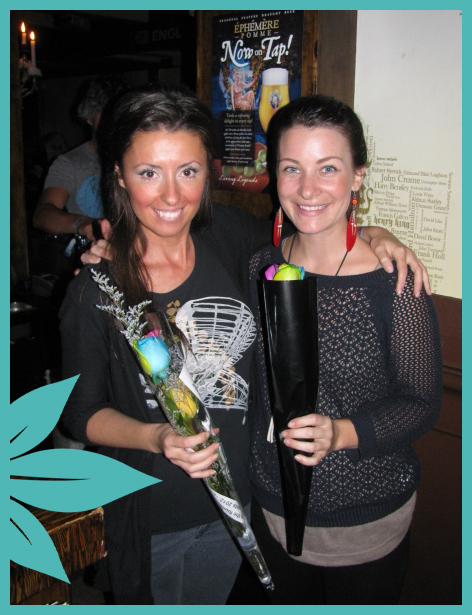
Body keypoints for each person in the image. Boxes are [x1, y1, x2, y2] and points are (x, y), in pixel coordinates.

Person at [65, 85, 430, 605]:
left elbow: (315, 222)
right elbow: (80, 414)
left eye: (188, 171)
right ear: (119, 176)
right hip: (155, 513)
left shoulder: (232, 241)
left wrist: (374, 231)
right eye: (148, 173)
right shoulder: (95, 287)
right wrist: (158, 437)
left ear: (208, 173)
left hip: (245, 509)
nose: (171, 196)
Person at [246, 95, 442, 604]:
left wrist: (341, 433)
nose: (307, 189)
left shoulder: (394, 283)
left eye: (328, 168)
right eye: (291, 168)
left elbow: (422, 404)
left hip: (364, 524)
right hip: (270, 509)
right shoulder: (259, 265)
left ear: (358, 177)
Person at [33, 75, 128, 245]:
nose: (114, 123)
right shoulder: (70, 163)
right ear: (89, 118)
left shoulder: (137, 158)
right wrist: (84, 224)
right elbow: (43, 215)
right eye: (107, 115)